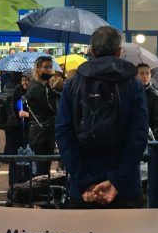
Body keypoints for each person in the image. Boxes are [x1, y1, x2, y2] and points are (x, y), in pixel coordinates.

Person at [55, 26, 148, 208]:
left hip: (83, 191)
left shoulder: (72, 85)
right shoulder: (133, 85)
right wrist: (116, 181)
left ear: (91, 51)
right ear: (119, 52)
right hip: (125, 189)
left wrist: (83, 181)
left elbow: (63, 134)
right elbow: (139, 135)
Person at [24, 56, 60, 176]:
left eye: (50, 67)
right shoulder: (36, 87)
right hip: (40, 134)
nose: (49, 70)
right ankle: (39, 193)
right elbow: (52, 108)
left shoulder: (43, 85)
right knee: (41, 170)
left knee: (44, 168)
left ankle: (42, 191)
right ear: (38, 69)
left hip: (45, 132)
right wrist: (57, 94)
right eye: (45, 67)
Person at [137, 63, 158, 141]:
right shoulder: (132, 93)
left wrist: (156, 142)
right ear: (136, 75)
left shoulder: (156, 96)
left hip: (150, 141)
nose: (145, 76)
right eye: (142, 73)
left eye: (147, 73)